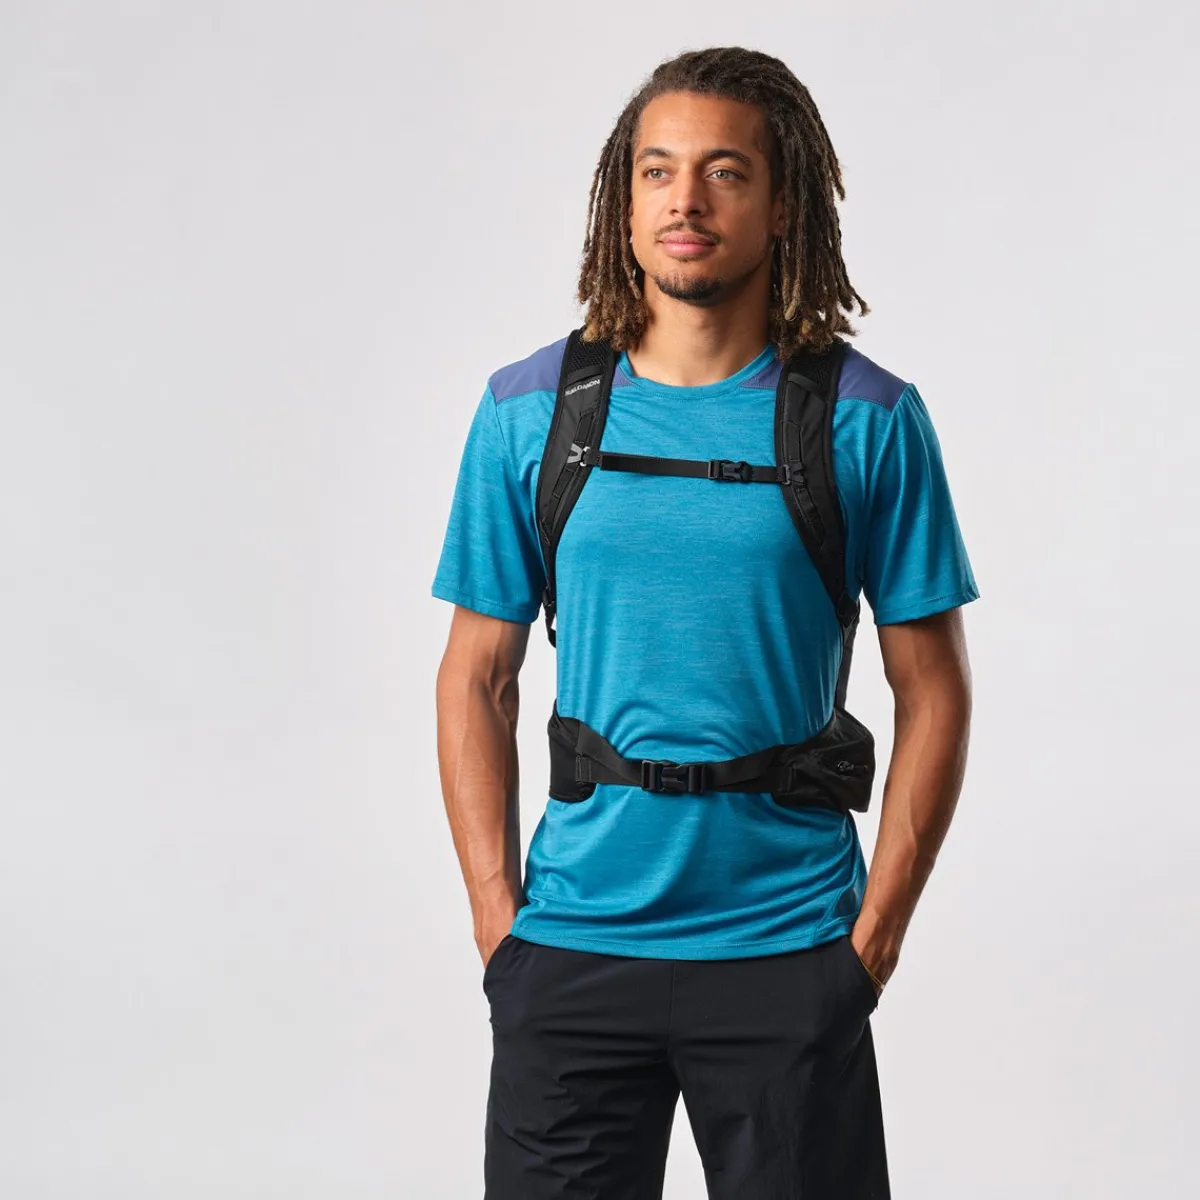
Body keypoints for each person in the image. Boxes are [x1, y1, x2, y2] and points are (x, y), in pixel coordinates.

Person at [432, 45, 978, 1200]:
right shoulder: (529, 412)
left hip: (788, 951)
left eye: (725, 172)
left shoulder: (868, 421)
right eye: (657, 171)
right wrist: (498, 927)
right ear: (623, 204)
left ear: (783, 207)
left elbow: (935, 689)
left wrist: (872, 943)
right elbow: (477, 675)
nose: (685, 201)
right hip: (573, 948)